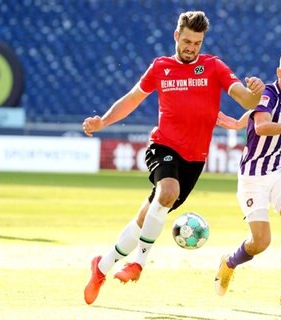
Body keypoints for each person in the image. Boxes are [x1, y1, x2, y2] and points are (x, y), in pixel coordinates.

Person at [81, 11, 265, 305]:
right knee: (168, 192)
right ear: (176, 36)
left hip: (194, 160)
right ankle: (139, 264)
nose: (192, 47)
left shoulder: (213, 66)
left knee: (146, 217)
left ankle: (101, 267)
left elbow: (244, 99)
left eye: (198, 42)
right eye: (188, 41)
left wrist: (255, 94)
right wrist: (103, 121)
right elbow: (131, 99)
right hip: (163, 146)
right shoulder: (161, 67)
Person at [215, 50, 281, 305]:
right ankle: (229, 262)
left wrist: (240, 122)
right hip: (253, 174)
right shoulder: (269, 93)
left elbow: (257, 116)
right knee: (260, 241)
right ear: (279, 73)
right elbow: (261, 126)